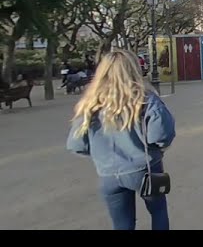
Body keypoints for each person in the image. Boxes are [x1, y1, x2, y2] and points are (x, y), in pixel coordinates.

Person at [66, 48, 175, 230]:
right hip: (145, 168)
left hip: (109, 173)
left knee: (122, 224)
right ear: (133, 69)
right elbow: (162, 134)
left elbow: (76, 144)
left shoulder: (90, 104)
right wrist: (157, 148)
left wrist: (101, 155)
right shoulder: (146, 99)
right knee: (158, 211)